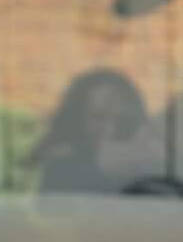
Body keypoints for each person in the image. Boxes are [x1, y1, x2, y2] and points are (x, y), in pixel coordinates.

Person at [31, 69, 168, 194]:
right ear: (78, 120)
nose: (111, 129)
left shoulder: (147, 161)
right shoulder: (60, 168)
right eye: (99, 117)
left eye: (121, 119)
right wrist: (104, 172)